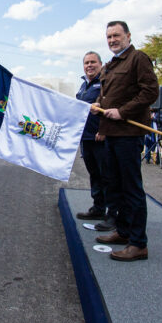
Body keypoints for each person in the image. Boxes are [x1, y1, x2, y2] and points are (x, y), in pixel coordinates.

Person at [91, 20, 159, 262]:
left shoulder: (138, 59)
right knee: (115, 187)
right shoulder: (110, 65)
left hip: (129, 135)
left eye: (116, 35)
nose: (112, 40)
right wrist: (99, 104)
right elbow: (107, 95)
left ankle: (138, 243)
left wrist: (123, 111)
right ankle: (123, 231)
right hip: (111, 133)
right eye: (108, 37)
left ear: (128, 36)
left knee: (132, 190)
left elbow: (151, 92)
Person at [74, 51, 111, 227]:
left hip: (101, 138)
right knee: (95, 175)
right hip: (86, 138)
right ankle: (98, 208)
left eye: (93, 62)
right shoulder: (83, 86)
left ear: (100, 64)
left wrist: (103, 129)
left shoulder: (105, 82)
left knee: (107, 176)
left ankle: (112, 214)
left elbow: (111, 107)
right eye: (86, 62)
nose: (89, 65)